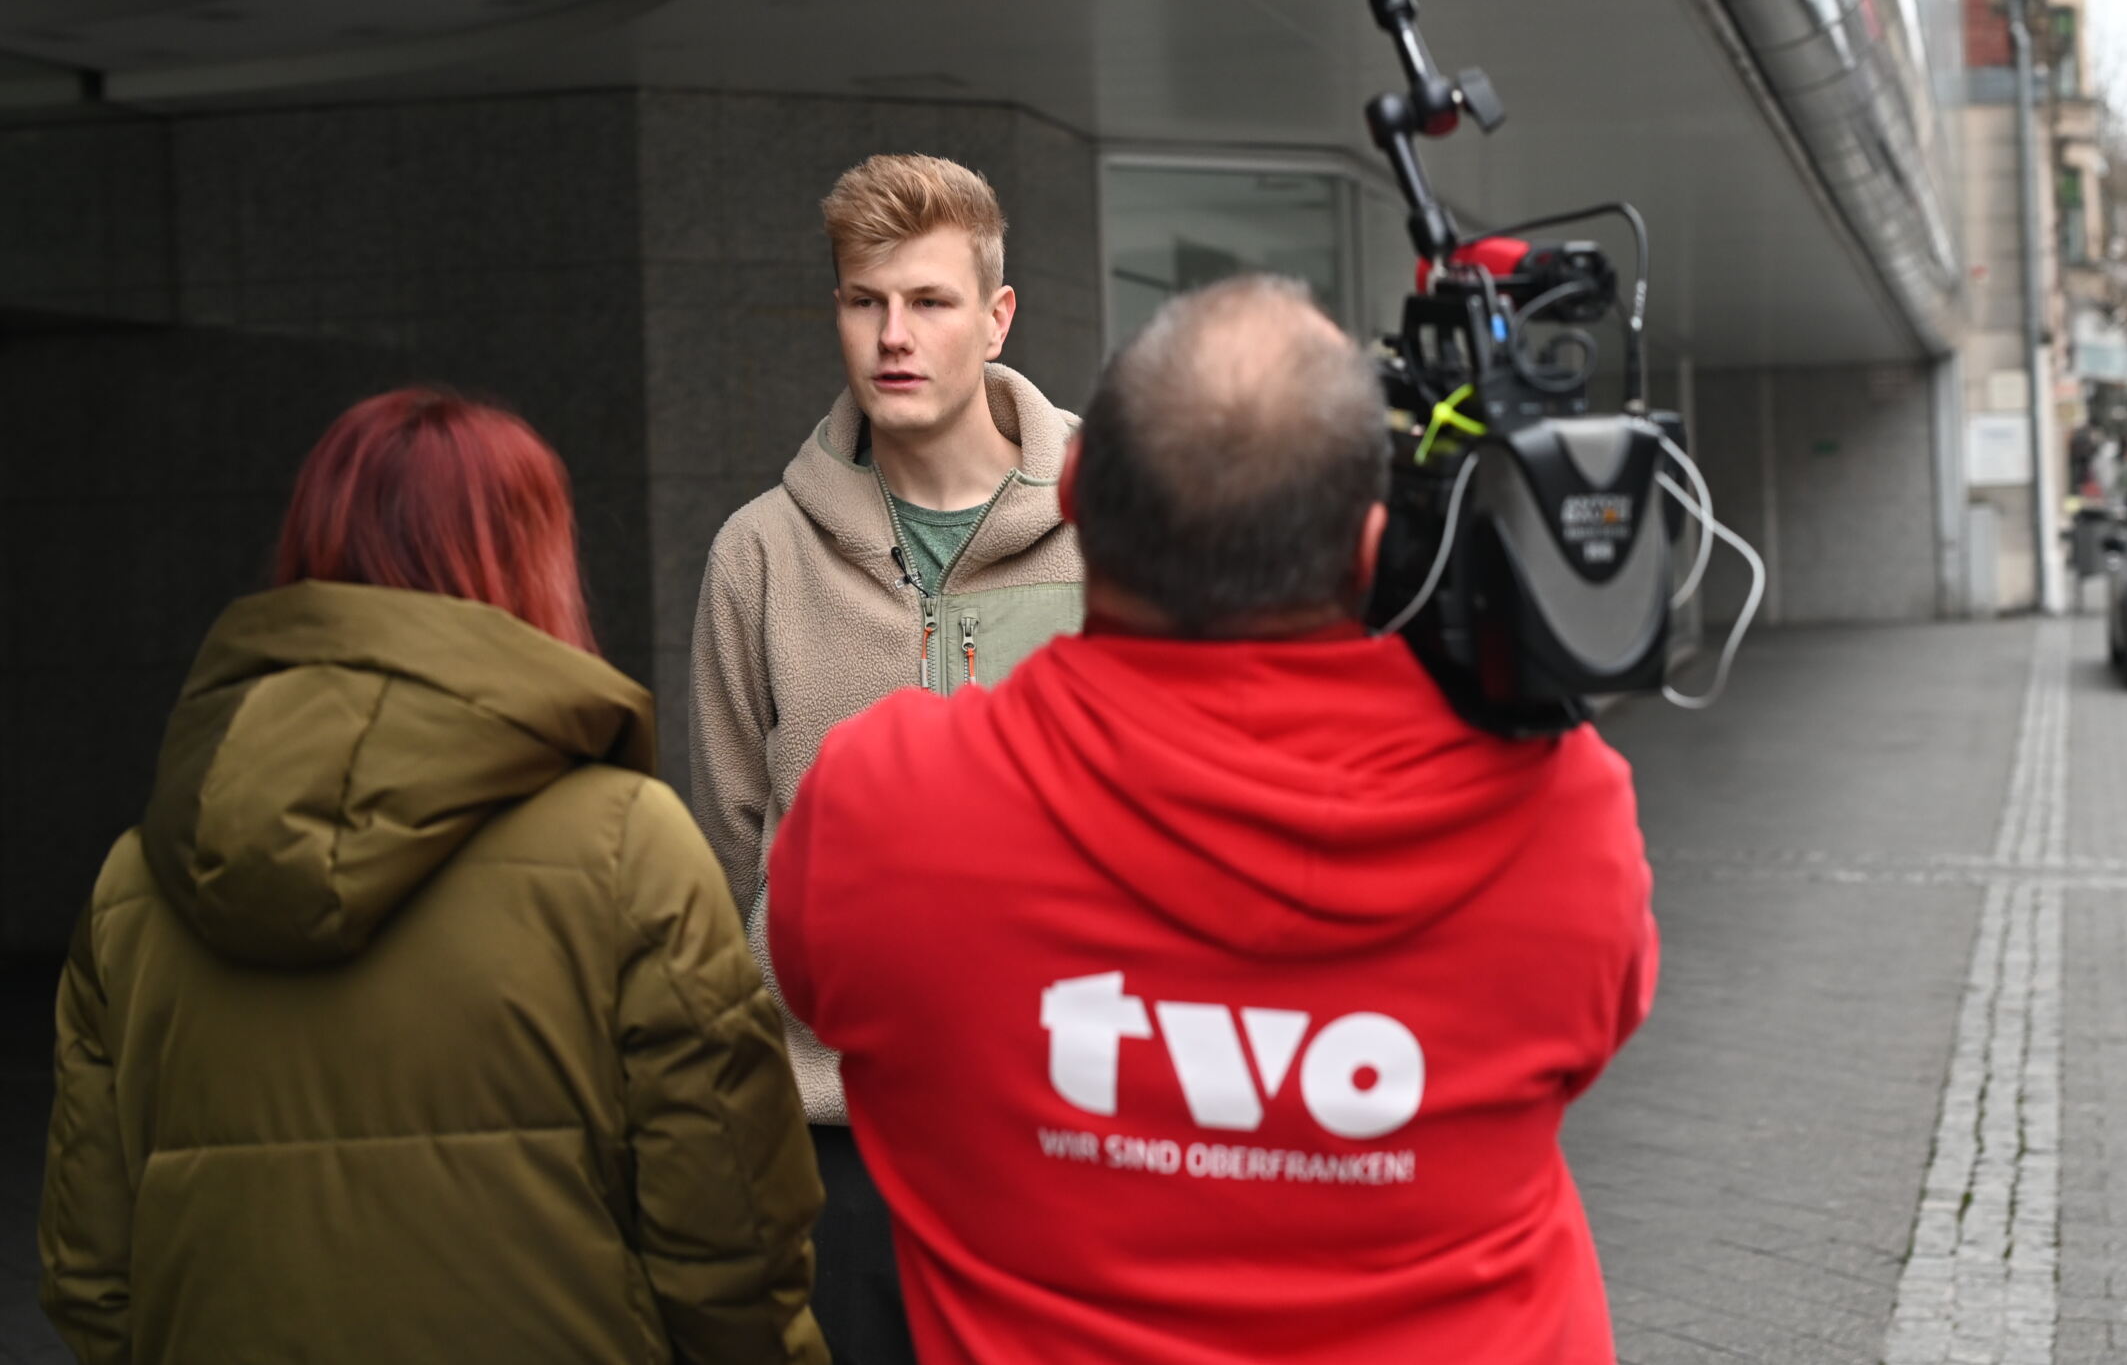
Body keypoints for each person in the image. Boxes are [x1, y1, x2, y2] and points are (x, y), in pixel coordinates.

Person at [767, 275, 1658, 1365]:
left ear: (1077, 485)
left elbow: (816, 990)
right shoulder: (1564, 813)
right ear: (1369, 548)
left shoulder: (881, 807)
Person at [38, 388, 823, 1365]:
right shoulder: (628, 846)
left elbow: (90, 1268)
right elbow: (728, 1234)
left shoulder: (134, 882)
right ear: (535, 556)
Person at [689, 153, 1085, 1359]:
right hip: (834, 1140)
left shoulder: (1114, 534)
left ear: (998, 315)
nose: (892, 336)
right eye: (865, 302)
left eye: (929, 300)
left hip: (1062, 1126)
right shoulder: (758, 554)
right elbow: (734, 843)